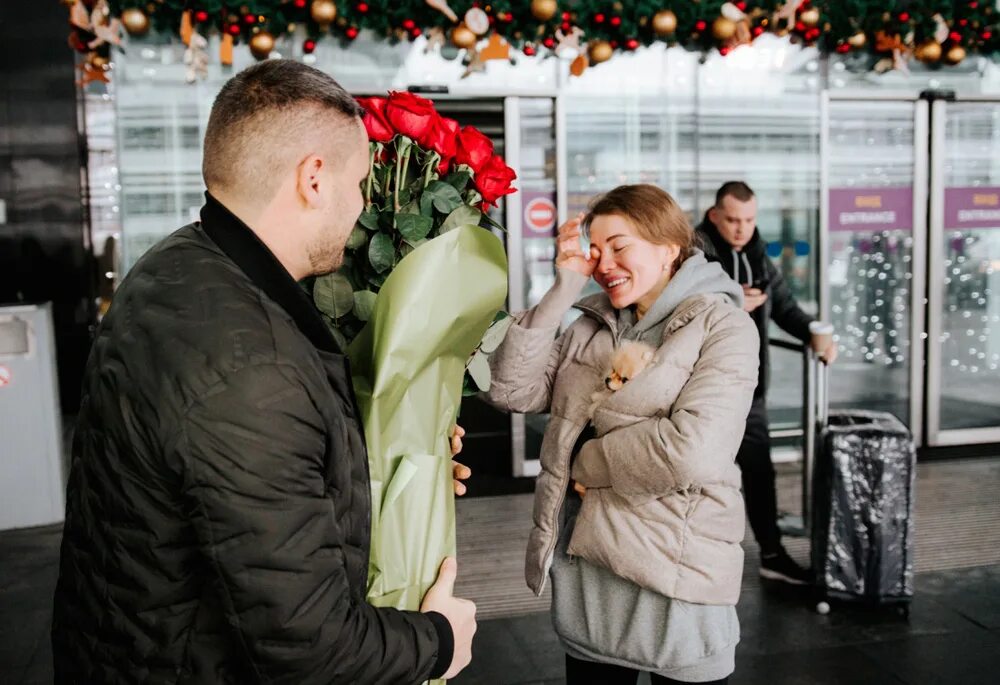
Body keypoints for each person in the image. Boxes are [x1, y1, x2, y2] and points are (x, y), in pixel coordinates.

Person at [52, 60, 476, 684]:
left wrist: (389, 449)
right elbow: (311, 649)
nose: (362, 207)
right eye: (359, 183)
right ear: (313, 178)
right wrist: (439, 641)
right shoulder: (254, 373)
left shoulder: (174, 265)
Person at [487, 184, 759, 684]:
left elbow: (691, 453)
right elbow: (509, 390)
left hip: (675, 578)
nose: (604, 262)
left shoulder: (723, 325)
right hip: (590, 575)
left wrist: (583, 462)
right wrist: (563, 290)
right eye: (596, 249)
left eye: (619, 246)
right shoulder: (591, 325)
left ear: (669, 247)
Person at [696, 181, 837, 585]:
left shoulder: (758, 254)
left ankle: (772, 554)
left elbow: (785, 307)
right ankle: (696, 561)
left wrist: (815, 330)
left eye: (749, 220)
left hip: (748, 388)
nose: (742, 228)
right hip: (703, 387)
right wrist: (729, 299)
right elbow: (678, 306)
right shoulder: (695, 253)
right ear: (714, 216)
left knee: (759, 472)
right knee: (701, 474)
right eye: (734, 220)